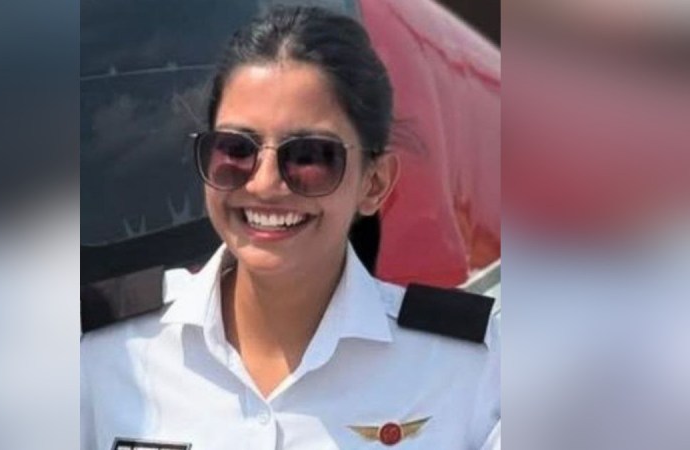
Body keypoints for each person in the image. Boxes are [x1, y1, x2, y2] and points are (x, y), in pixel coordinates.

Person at [81, 6, 499, 450]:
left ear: (374, 184)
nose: (264, 185)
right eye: (235, 150)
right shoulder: (100, 354)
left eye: (310, 156)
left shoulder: (474, 367)